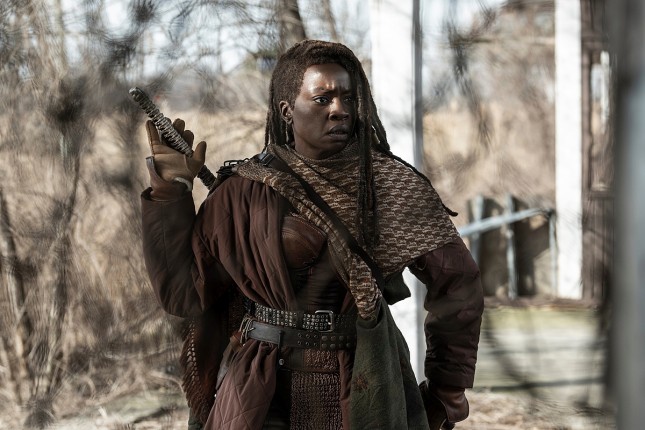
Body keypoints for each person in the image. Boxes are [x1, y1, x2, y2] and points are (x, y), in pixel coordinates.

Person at [140, 40, 483, 430]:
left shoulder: (391, 187)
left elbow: (459, 284)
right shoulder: (244, 189)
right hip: (258, 389)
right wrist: (170, 191)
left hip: (363, 380)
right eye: (322, 99)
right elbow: (185, 293)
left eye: (348, 98)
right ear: (288, 110)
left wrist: (447, 390)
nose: (340, 110)